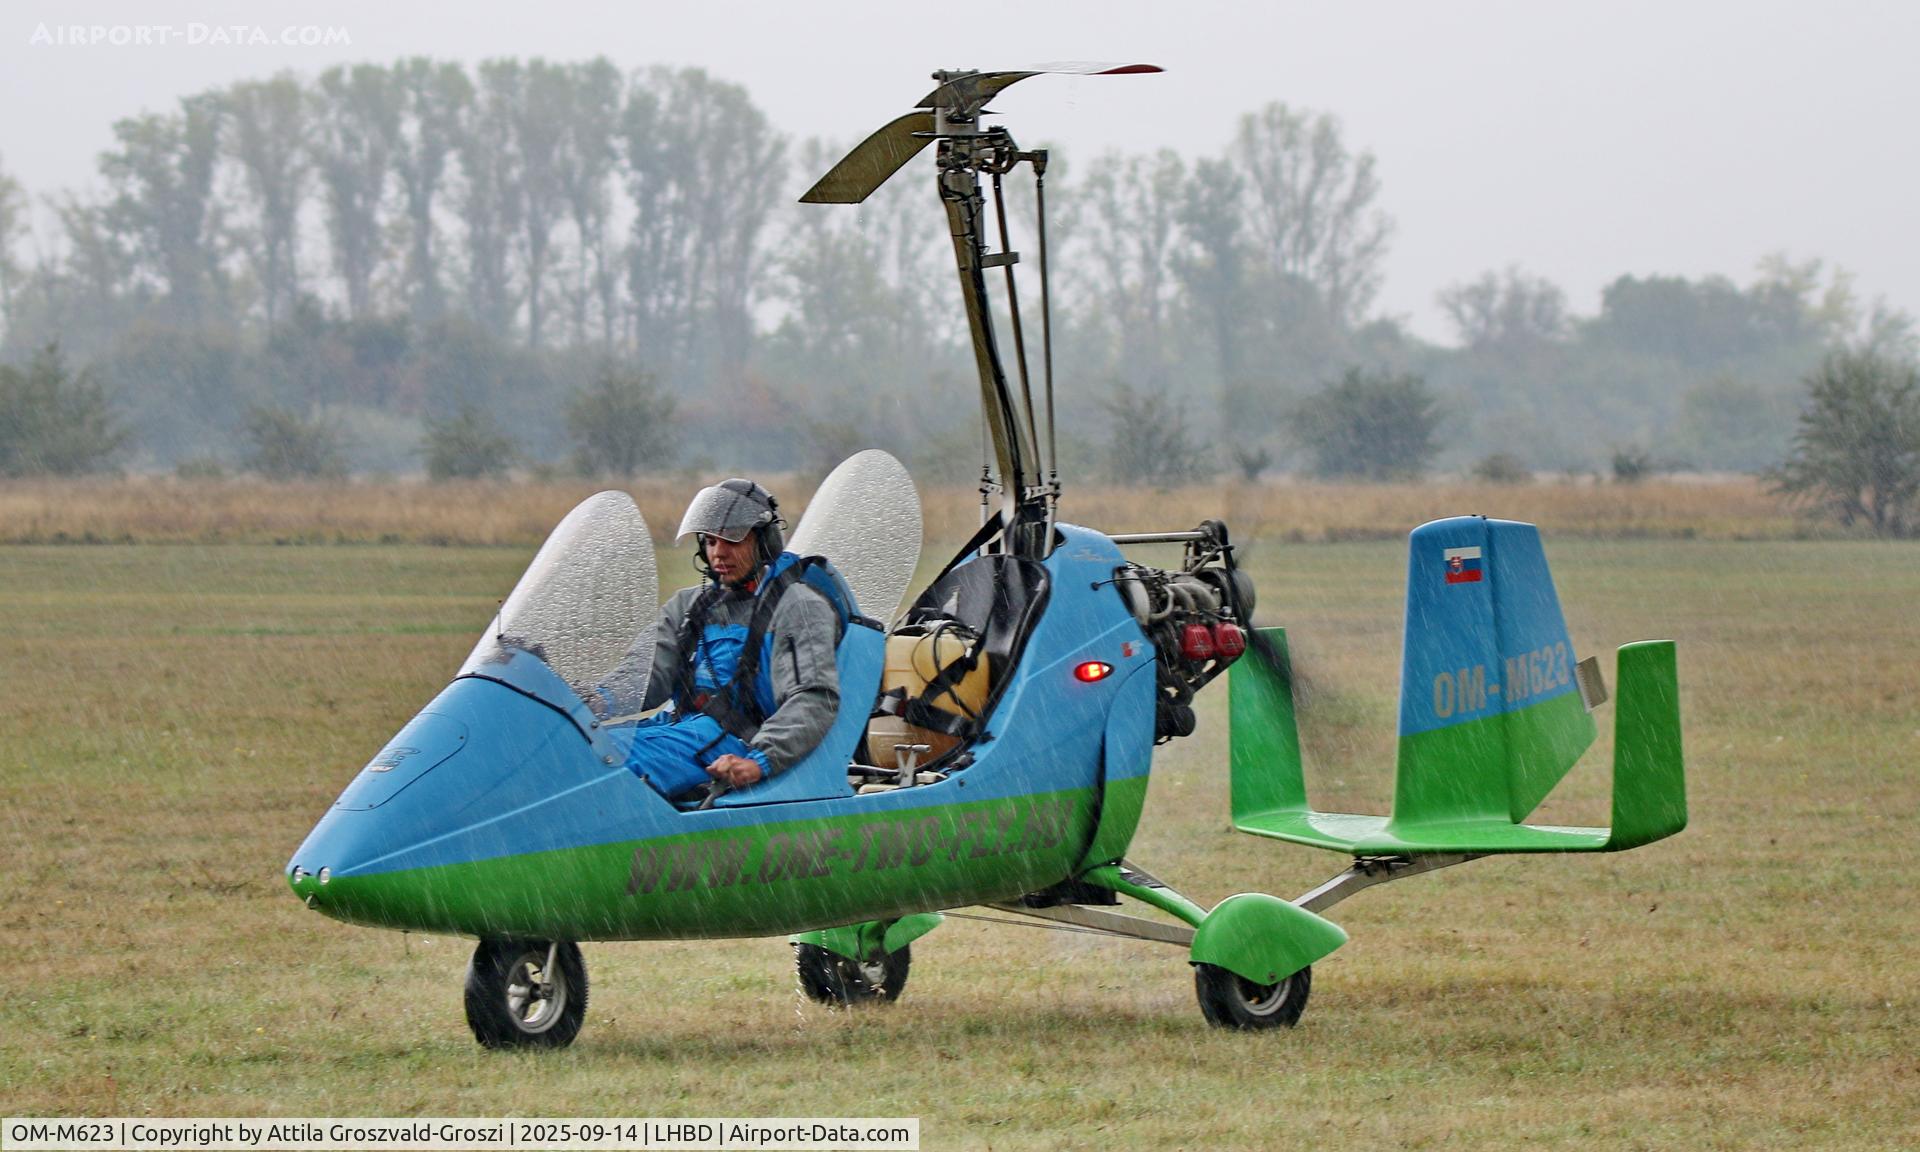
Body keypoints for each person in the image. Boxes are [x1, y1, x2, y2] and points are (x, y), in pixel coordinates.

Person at [588, 479, 843, 800]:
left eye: (733, 540)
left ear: (765, 543)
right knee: (574, 744)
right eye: (709, 541)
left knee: (598, 762)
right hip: (681, 725)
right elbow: (646, 674)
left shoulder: (799, 607)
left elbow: (814, 699)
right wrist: (592, 702)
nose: (718, 553)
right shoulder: (688, 606)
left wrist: (758, 761)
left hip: (739, 743)